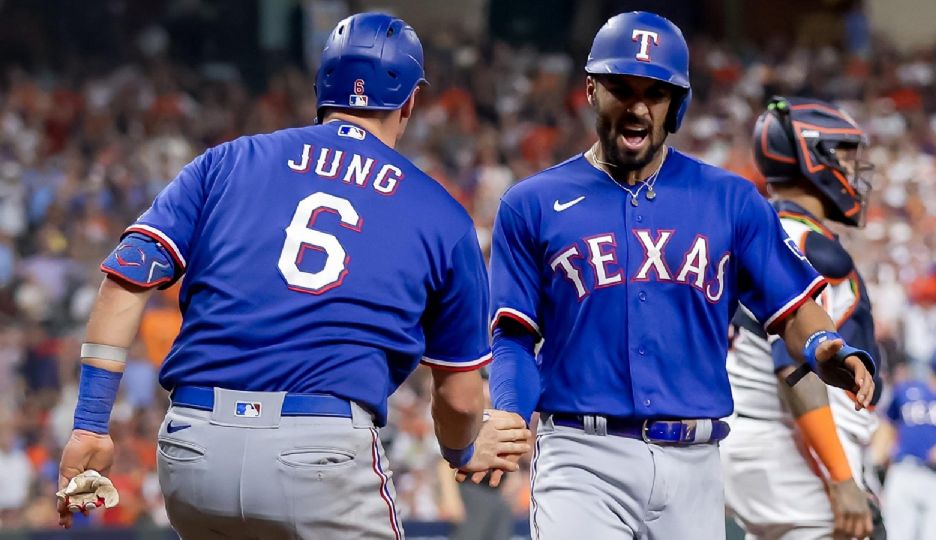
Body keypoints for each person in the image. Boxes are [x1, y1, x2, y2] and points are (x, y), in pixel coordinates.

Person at [55, 12, 529, 539]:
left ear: (320, 89)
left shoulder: (227, 161)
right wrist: (462, 449)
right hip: (320, 453)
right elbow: (460, 398)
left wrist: (91, 423)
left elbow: (127, 277)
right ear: (410, 103)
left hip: (194, 448)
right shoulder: (442, 214)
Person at [480, 11, 876, 539]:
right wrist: (508, 411)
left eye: (656, 92)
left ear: (678, 103)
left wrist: (825, 344)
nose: (638, 106)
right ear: (592, 90)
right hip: (581, 455)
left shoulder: (730, 199)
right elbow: (513, 335)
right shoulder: (531, 204)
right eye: (622, 88)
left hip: (695, 461)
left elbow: (793, 308)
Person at [722, 96, 885, 540]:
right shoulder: (801, 241)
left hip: (761, 442)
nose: (855, 170)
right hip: (793, 444)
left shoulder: (766, 229)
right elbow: (794, 365)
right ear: (814, 157)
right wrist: (840, 477)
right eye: (845, 154)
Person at [875, 337, 936, 540]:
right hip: (905, 471)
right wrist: (877, 456)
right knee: (896, 535)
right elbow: (888, 421)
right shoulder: (909, 389)